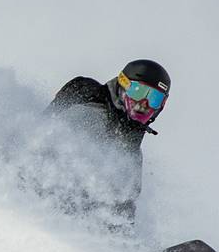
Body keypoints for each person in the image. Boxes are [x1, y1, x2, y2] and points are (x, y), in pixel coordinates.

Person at [39, 59, 171, 226]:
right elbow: (52, 152)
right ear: (124, 85)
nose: (144, 103)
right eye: (139, 91)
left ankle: (119, 245)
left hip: (81, 219)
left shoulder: (130, 146)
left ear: (162, 105)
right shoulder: (91, 113)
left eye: (154, 98)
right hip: (47, 197)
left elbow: (126, 200)